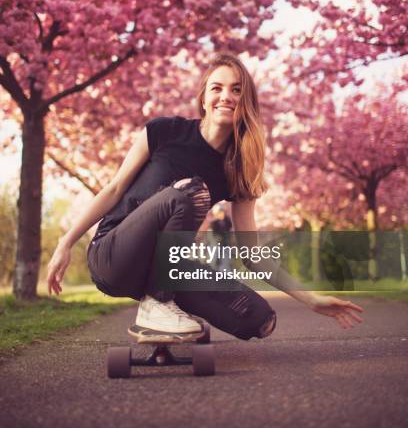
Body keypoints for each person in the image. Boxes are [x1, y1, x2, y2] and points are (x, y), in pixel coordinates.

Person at [47, 55, 364, 339]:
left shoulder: (240, 168)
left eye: (237, 90)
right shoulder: (163, 131)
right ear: (203, 97)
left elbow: (251, 253)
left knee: (258, 318)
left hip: (166, 268)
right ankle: (158, 303)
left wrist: (311, 299)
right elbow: (114, 188)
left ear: (246, 100)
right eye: (217, 88)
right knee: (192, 191)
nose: (226, 96)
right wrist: (65, 243)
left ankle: (163, 305)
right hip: (114, 256)